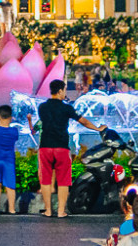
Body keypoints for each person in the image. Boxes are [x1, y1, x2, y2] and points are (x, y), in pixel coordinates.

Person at [34, 81, 98, 218]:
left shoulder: (42, 107)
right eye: (64, 90)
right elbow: (83, 121)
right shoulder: (67, 108)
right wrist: (97, 128)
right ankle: (61, 211)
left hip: (45, 147)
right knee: (63, 180)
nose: (65, 93)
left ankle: (48, 210)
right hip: (61, 148)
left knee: (45, 180)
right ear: (60, 91)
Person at [0, 105, 21, 215]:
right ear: (11, 117)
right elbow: (14, 138)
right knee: (10, 186)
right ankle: (12, 209)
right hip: (9, 161)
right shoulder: (14, 131)